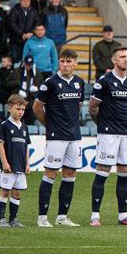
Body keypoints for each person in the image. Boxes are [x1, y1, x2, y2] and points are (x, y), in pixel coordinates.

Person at [88, 45, 127, 226]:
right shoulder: (104, 81)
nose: (126, 60)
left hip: (126, 133)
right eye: (122, 57)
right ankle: (95, 215)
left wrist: (125, 121)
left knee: (125, 173)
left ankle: (123, 215)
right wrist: (102, 124)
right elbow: (93, 107)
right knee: (103, 171)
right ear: (113, 60)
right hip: (108, 133)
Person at [32, 49, 84, 228]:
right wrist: (49, 125)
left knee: (70, 175)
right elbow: (37, 107)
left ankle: (62, 216)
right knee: (51, 174)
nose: (65, 64)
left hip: (74, 136)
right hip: (56, 137)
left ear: (76, 63)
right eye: (62, 61)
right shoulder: (50, 83)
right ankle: (42, 217)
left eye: (69, 61)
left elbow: (78, 105)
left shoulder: (79, 83)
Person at [0, 95, 29, 227]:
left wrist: (27, 163)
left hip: (20, 165)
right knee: (5, 191)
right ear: (10, 109)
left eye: (23, 109)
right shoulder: (5, 125)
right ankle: (0, 220)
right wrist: (4, 162)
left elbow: (26, 147)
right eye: (18, 109)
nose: (21, 112)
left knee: (17, 192)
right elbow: (0, 144)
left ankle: (13, 219)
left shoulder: (24, 127)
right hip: (9, 164)